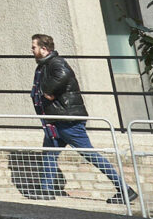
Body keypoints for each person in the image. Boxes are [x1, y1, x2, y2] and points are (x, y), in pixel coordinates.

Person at [31, 33, 135, 205]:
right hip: (56, 120)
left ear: (44, 49)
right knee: (49, 153)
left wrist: (48, 91)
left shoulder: (56, 62)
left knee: (90, 154)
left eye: (34, 47)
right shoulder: (44, 65)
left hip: (68, 121)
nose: (31, 50)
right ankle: (46, 189)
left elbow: (64, 74)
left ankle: (125, 189)